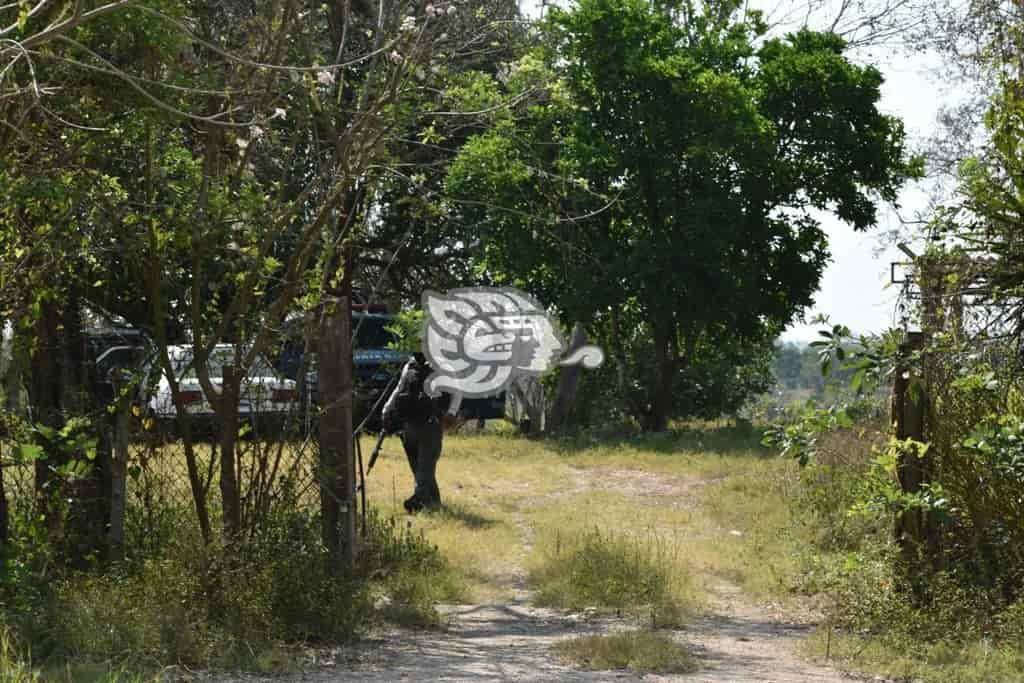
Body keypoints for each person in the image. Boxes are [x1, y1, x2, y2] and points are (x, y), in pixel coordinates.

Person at [381, 352, 460, 513]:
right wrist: (388, 407)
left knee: (425, 466)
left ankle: (418, 500)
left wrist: (451, 413)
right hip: (409, 423)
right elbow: (399, 388)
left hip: (431, 424)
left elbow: (457, 391)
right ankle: (434, 504)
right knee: (418, 468)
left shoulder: (443, 364)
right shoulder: (410, 365)